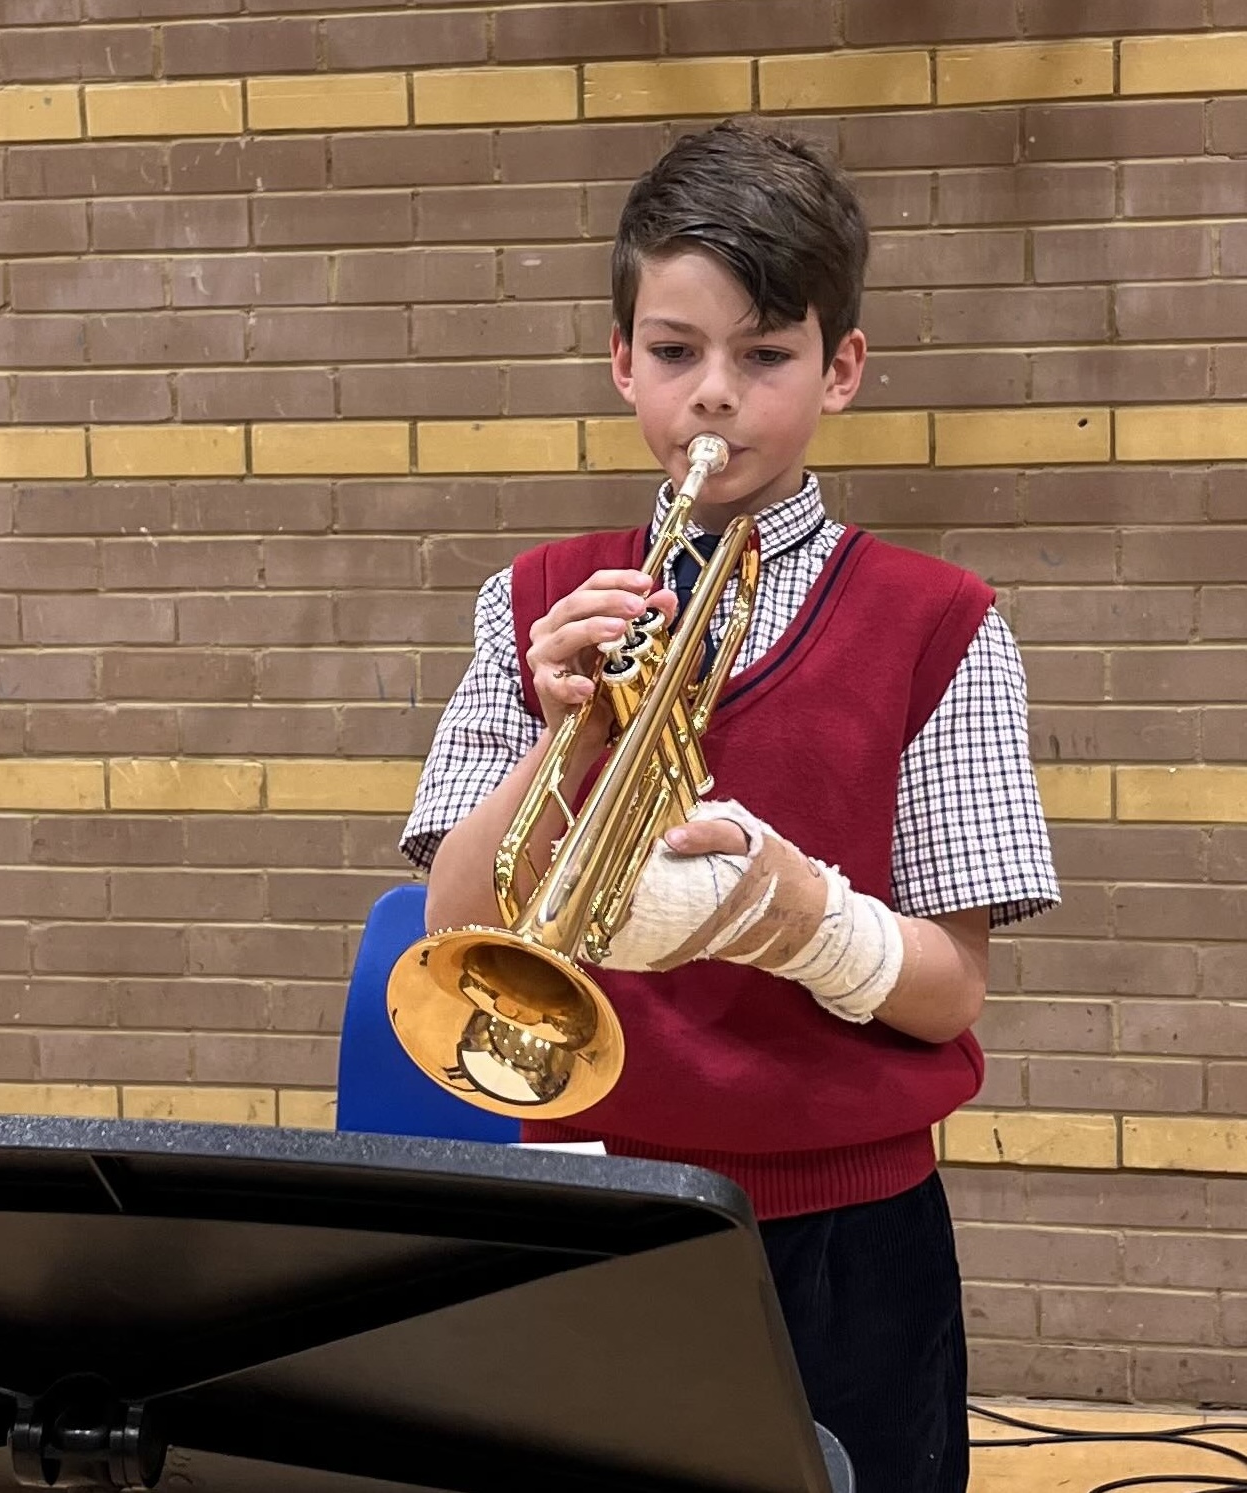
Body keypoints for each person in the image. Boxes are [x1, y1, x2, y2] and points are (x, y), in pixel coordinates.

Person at [399, 119, 1060, 1493]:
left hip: (850, 1230)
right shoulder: (531, 604)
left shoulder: (941, 622)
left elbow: (946, 993)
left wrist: (798, 914)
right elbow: (453, 929)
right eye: (677, 350)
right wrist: (562, 733)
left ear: (840, 371)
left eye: (765, 355)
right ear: (620, 363)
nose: (716, 396)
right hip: (594, 1201)